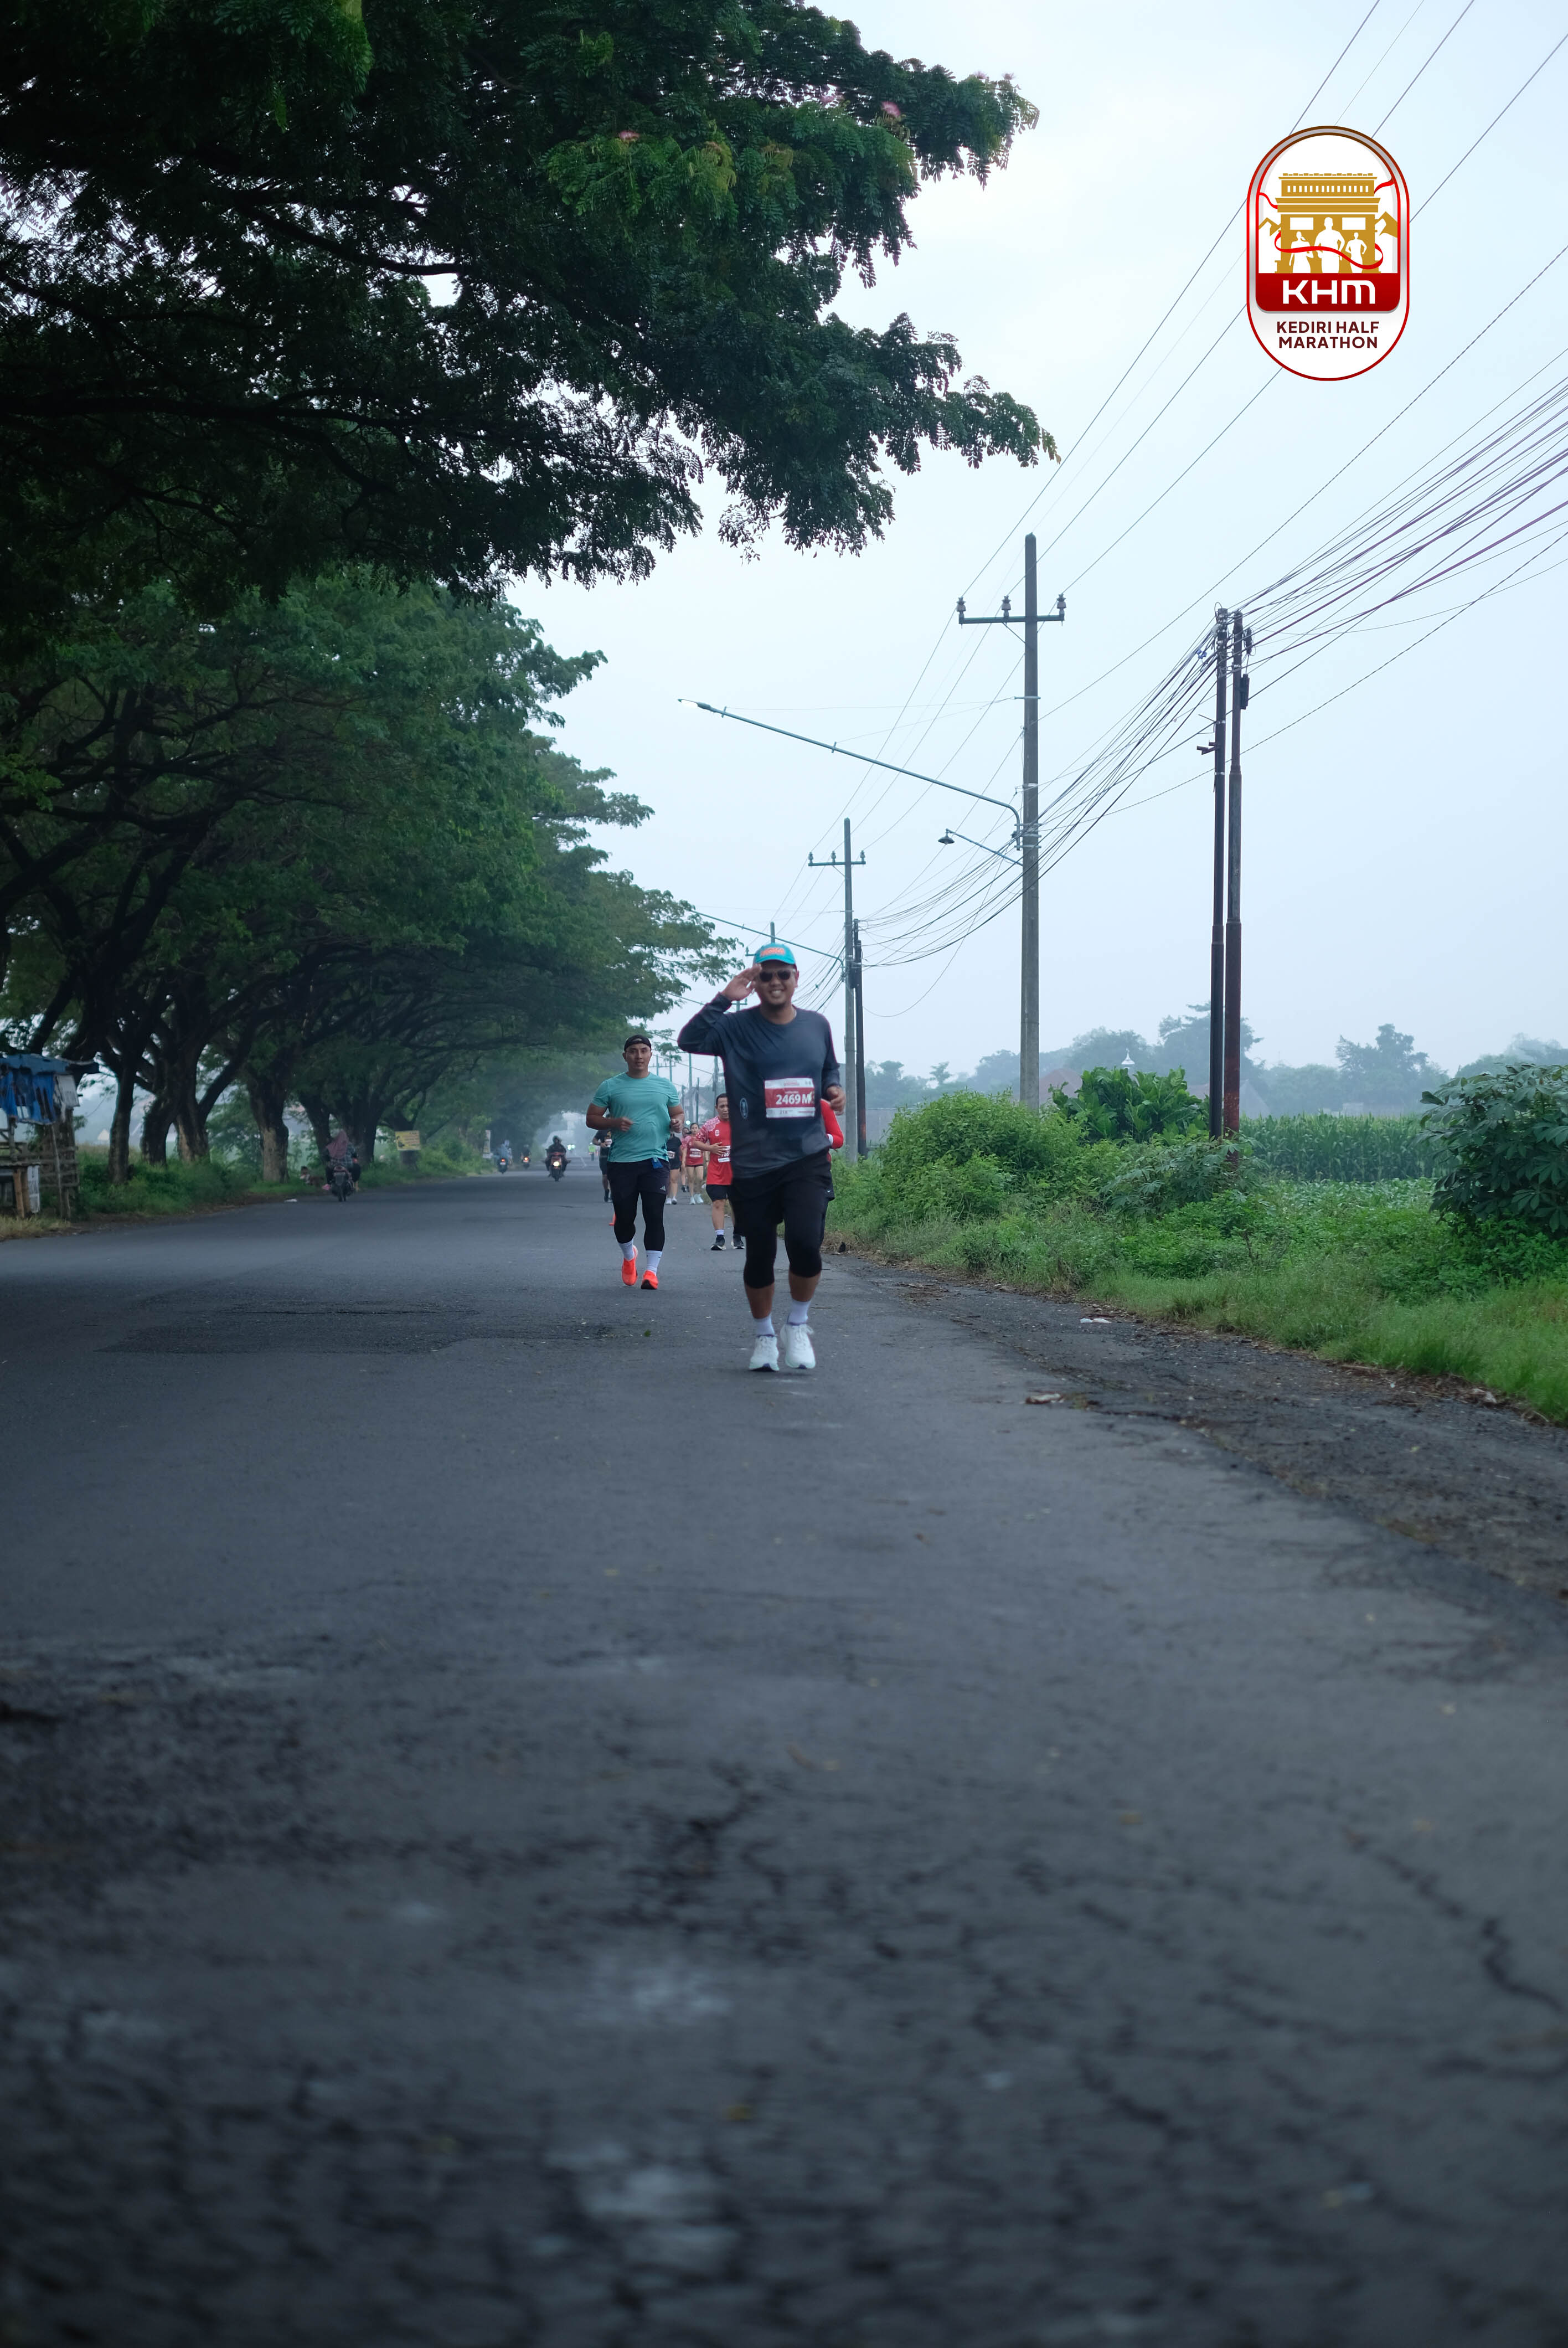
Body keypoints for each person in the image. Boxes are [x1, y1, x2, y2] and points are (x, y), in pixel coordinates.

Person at [677, 946, 844, 1371]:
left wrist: (833, 1089)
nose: (775, 983)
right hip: (753, 1162)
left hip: (807, 1155)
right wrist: (725, 998)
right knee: (760, 1255)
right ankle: (765, 1336)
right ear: (756, 983)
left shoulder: (816, 1025)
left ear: (796, 977)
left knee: (806, 1245)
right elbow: (688, 1040)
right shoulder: (735, 1028)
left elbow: (829, 1068)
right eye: (765, 976)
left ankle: (798, 1325)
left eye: (783, 974)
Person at [586, 1033, 682, 1290]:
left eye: (643, 1051)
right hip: (622, 1162)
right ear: (625, 1056)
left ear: (650, 1055)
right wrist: (614, 1122)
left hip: (655, 1161)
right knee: (625, 1218)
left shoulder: (665, 1086)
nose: (639, 1056)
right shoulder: (610, 1086)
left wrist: (678, 1122)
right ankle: (630, 1256)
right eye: (633, 1051)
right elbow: (592, 1118)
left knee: (654, 1215)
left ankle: (651, 1272)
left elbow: (678, 1113)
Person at [695, 1092, 735, 1249]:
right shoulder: (710, 1125)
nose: (726, 1109)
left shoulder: (742, 1123)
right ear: (716, 1108)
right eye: (722, 1106)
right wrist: (710, 1148)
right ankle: (720, 1238)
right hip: (717, 1173)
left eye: (728, 1106)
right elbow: (696, 1142)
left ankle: (737, 1236)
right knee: (718, 1203)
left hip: (738, 1173)